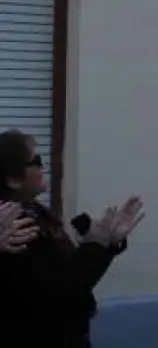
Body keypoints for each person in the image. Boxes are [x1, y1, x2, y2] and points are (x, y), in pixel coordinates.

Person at [0, 129, 145, 348]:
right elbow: (60, 292)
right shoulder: (12, 228)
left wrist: (107, 243)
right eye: (36, 161)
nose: (42, 167)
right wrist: (96, 244)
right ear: (13, 179)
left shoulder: (34, 212)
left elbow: (69, 271)